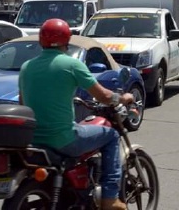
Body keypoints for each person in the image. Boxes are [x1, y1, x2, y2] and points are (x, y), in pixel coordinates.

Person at [19, 18, 134, 210]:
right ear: (66, 40)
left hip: (34, 140)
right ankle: (110, 198)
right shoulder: (72, 65)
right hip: (63, 139)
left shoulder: (26, 67)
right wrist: (123, 98)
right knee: (112, 136)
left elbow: (23, 103)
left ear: (41, 40)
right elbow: (103, 96)